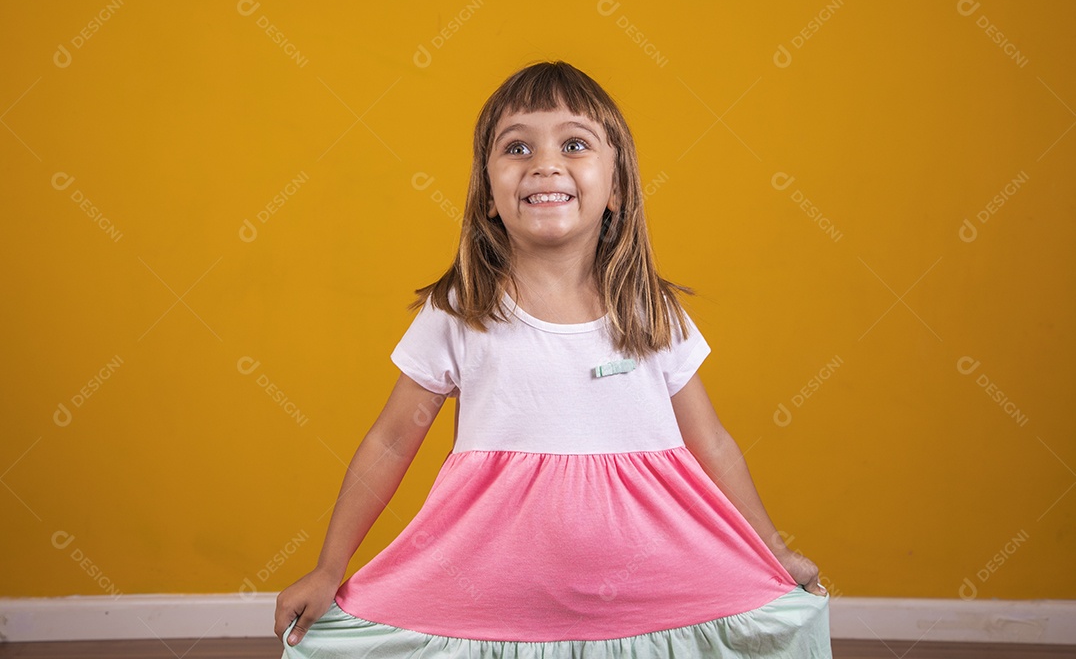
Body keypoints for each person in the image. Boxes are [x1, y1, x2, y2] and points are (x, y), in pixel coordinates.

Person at [274, 59, 832, 657]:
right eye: (517, 147)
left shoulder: (650, 312)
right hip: (490, 596)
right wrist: (330, 567)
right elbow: (390, 441)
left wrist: (772, 548)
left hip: (655, 589)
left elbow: (713, 443)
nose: (545, 163)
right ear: (488, 194)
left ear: (616, 187)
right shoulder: (462, 310)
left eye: (574, 143)